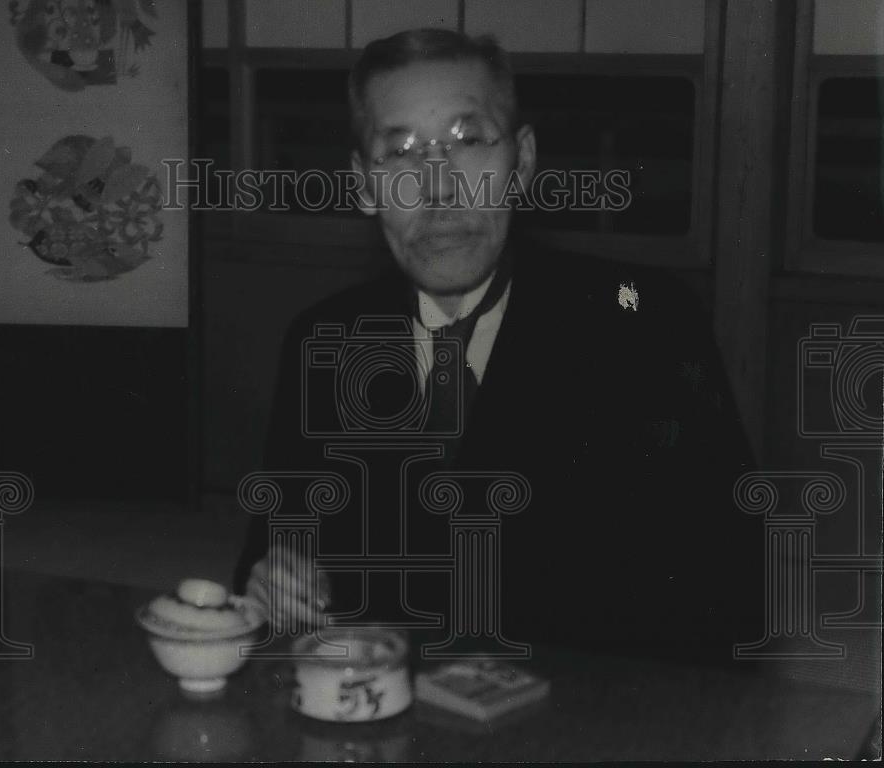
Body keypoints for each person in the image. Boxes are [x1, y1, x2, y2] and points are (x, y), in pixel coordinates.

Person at [233, 28, 762, 663]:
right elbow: (268, 553)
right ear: (363, 185)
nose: (437, 186)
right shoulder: (324, 339)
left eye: (468, 141)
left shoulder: (643, 322)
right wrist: (272, 583)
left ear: (523, 160)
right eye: (399, 151)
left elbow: (731, 590)